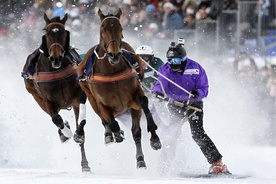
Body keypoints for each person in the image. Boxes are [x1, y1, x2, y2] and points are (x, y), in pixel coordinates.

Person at [151, 39, 230, 174]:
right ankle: (166, 162)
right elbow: (160, 84)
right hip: (175, 104)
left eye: (175, 61)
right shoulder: (165, 69)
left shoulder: (195, 68)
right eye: (170, 61)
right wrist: (157, 92)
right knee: (172, 133)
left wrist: (196, 93)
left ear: (183, 59)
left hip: (193, 105)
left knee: (197, 132)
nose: (172, 65)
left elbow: (204, 88)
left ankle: (217, 163)